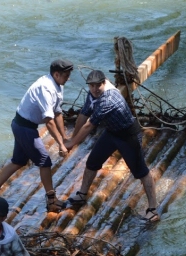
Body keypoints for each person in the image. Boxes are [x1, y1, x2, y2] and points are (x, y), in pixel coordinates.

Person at [64, 70, 160, 222]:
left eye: (98, 85)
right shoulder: (92, 93)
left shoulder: (108, 99)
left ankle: (153, 209)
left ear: (104, 83)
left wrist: (71, 143)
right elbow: (83, 114)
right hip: (111, 133)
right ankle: (82, 194)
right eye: (92, 86)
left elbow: (89, 125)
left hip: (128, 136)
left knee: (141, 172)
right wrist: (72, 138)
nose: (95, 89)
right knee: (92, 163)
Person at [0, 59, 74, 213]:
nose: (68, 78)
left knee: (18, 161)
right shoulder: (46, 88)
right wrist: (60, 144)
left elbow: (58, 112)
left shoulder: (58, 85)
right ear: (56, 74)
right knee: (45, 162)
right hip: (24, 127)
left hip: (23, 125)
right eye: (66, 75)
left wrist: (64, 137)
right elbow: (49, 121)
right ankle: (51, 201)